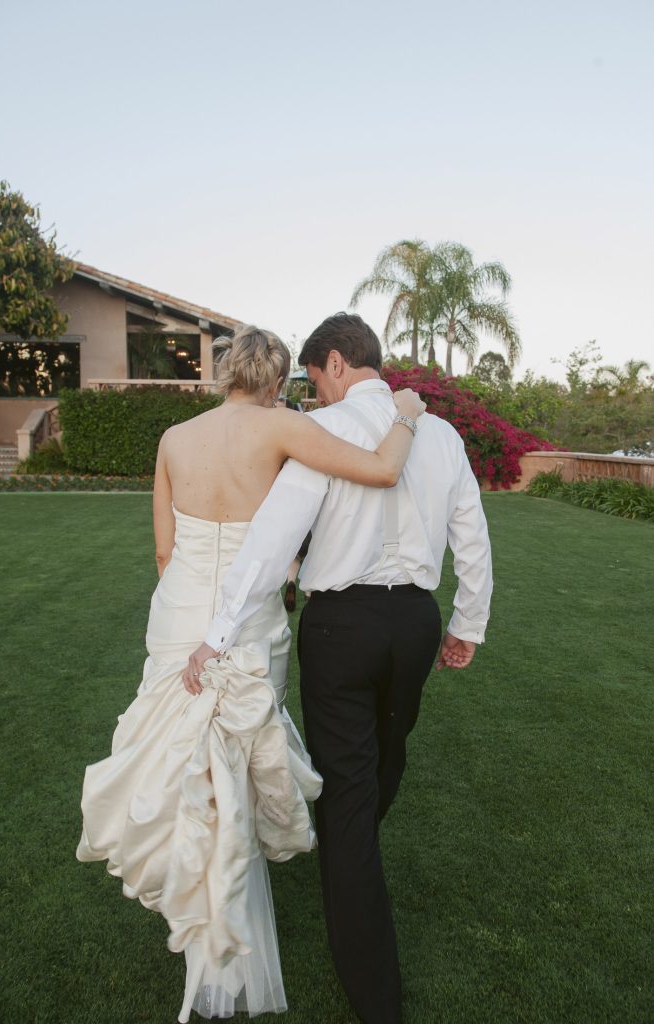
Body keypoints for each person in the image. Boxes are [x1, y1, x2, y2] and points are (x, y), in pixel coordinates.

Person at [75, 324, 424, 1023]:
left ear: (225, 372)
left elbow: (165, 553)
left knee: (191, 760)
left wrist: (199, 616)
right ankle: (227, 920)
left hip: (180, 616)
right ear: (274, 382)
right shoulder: (284, 430)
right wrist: (407, 417)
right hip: (251, 619)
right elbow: (382, 469)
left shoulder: (174, 439)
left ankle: (202, 908)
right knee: (234, 757)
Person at [188, 313, 493, 1024]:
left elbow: (272, 540)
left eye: (313, 379)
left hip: (343, 627)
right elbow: (472, 535)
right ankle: (354, 862)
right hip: (414, 625)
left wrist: (218, 631)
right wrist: (466, 624)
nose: (313, 394)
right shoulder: (441, 434)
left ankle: (371, 980)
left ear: (332, 362)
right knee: (381, 764)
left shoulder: (328, 433)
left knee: (356, 794)